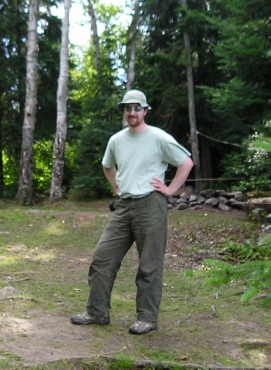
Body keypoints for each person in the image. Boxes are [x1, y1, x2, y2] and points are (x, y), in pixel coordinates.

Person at [71, 89, 194, 335]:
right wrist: (117, 187)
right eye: (128, 108)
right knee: (102, 257)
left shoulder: (158, 137)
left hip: (151, 205)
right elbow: (107, 166)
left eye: (137, 108)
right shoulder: (116, 140)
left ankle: (147, 317)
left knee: (149, 264)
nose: (132, 112)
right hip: (124, 205)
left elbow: (186, 162)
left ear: (145, 110)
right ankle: (97, 312)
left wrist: (170, 189)